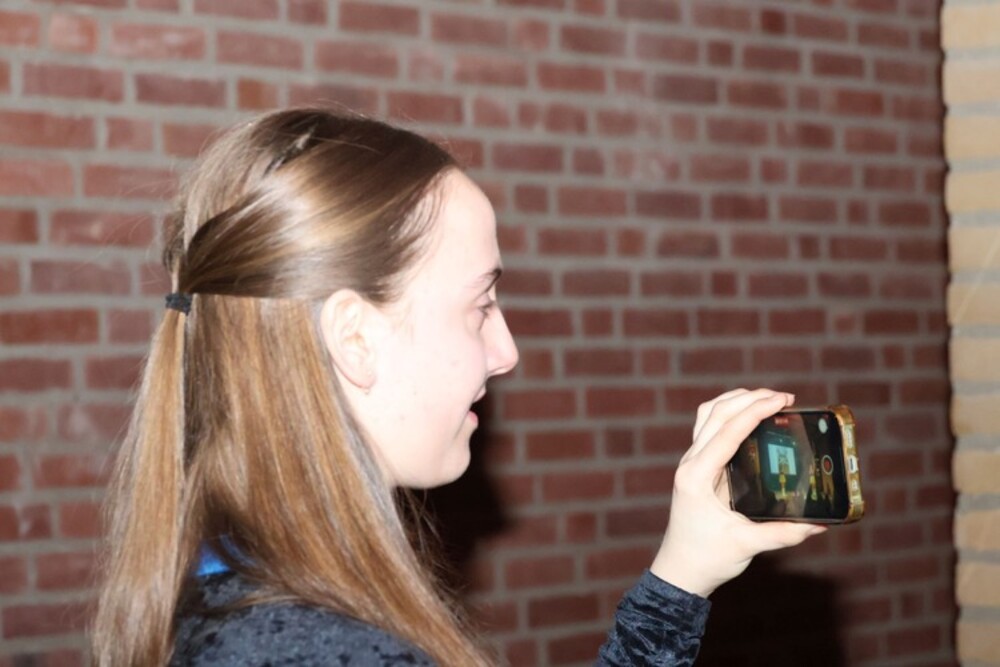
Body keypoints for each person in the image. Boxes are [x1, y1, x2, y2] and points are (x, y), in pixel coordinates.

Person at [90, 108, 825, 666]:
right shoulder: (307, 645)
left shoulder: (239, 579)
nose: (506, 352)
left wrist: (683, 574)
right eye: (481, 304)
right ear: (354, 337)